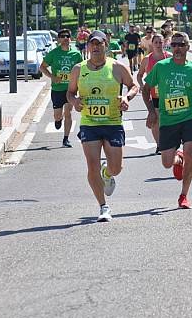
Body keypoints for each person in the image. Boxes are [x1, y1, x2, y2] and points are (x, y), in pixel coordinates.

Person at [66, 31, 139, 222]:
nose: (96, 47)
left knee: (117, 168)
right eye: (93, 44)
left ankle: (108, 173)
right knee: (92, 165)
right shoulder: (78, 69)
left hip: (113, 122)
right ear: (88, 46)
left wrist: (126, 97)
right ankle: (103, 206)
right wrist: (74, 102)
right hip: (90, 123)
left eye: (100, 44)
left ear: (106, 45)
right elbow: (70, 93)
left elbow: (134, 85)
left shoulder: (116, 67)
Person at [143, 32, 192, 209]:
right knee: (167, 163)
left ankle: (184, 195)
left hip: (189, 117)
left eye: (181, 44)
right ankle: (178, 158)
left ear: (188, 47)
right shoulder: (161, 67)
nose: (177, 48)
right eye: (174, 45)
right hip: (168, 120)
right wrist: (151, 111)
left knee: (190, 153)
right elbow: (146, 89)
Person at [40, 29, 83, 148]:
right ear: (58, 39)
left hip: (70, 89)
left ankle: (66, 139)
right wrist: (52, 77)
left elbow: (82, 69)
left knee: (68, 113)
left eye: (67, 36)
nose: (65, 38)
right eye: (62, 36)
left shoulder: (76, 54)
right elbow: (42, 67)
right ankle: (58, 119)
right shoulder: (54, 53)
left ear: (70, 39)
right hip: (57, 89)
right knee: (58, 115)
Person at [137, 33, 172, 153]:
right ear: (152, 43)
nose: (158, 45)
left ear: (164, 43)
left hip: (169, 94)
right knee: (155, 120)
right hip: (154, 94)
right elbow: (139, 75)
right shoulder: (147, 59)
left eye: (160, 42)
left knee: (170, 119)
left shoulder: (170, 57)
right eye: (156, 42)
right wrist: (142, 86)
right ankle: (159, 145)